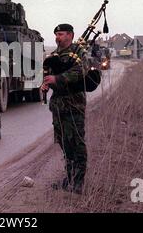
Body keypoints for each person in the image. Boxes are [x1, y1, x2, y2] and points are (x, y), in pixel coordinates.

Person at [41, 23, 89, 194]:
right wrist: (45, 83)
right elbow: (47, 74)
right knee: (64, 143)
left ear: (70, 35)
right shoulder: (54, 54)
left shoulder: (79, 52)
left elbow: (80, 71)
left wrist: (58, 79)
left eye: (61, 34)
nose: (57, 37)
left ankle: (78, 182)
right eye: (56, 34)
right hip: (58, 107)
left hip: (74, 105)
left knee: (77, 143)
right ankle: (69, 178)